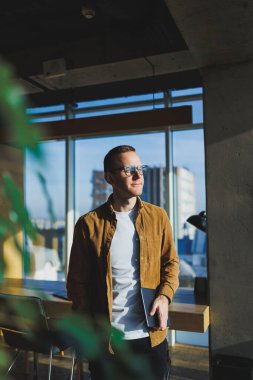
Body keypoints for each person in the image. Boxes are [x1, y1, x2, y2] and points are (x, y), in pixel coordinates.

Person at [67, 145, 179, 380]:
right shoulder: (88, 224)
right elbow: (77, 282)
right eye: (129, 170)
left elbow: (171, 263)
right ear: (109, 177)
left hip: (151, 338)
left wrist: (164, 296)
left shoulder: (158, 216)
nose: (139, 176)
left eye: (140, 168)